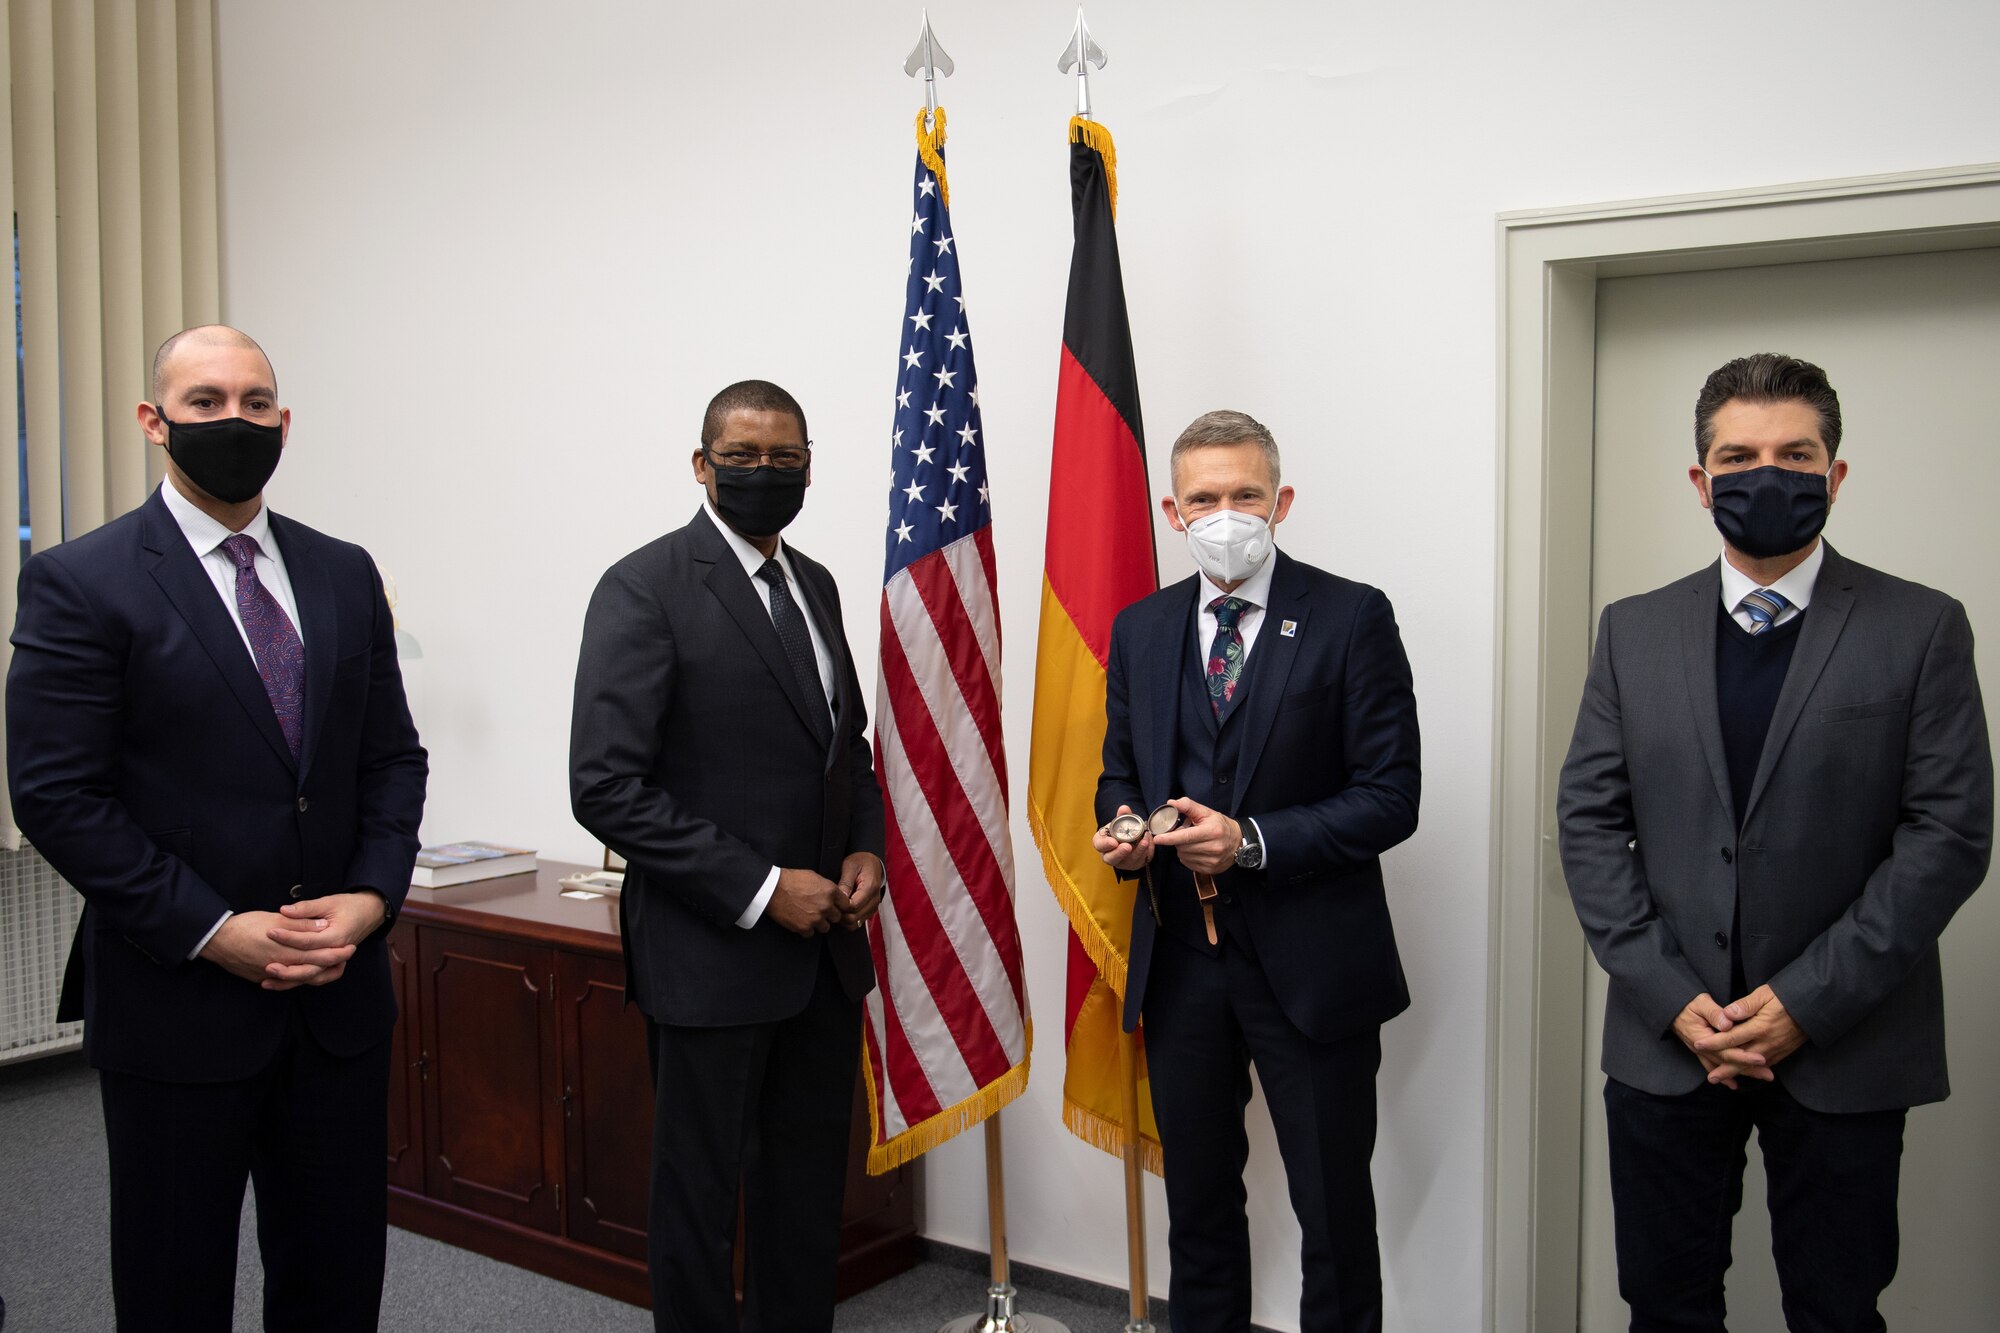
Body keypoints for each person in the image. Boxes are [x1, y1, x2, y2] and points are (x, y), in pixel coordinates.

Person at [1557, 352, 1992, 1331]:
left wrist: (1802, 1002)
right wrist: (1673, 999)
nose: (1766, 474)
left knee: (1836, 1309)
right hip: (1667, 1042)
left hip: (1846, 1040)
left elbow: (1949, 834)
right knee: (1663, 1306)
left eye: (1793, 454)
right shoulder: (1631, 631)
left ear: (1833, 475)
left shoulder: (1919, 628)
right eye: (1737, 455)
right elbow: (1587, 823)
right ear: (1699, 480)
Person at [6, 325, 428, 1331]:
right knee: (174, 1284)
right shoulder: (82, 581)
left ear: (283, 425)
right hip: (178, 1000)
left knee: (332, 1280)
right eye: (204, 401)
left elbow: (391, 759)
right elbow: (59, 797)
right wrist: (214, 929)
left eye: (253, 403)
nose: (231, 420)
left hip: (335, 1003)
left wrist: (370, 899)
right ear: (155, 421)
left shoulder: (340, 571)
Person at [1092, 410, 1421, 1333]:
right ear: (1172, 509)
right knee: (1197, 1208)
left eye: (1244, 494)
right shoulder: (1142, 627)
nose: (1225, 513)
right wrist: (1121, 824)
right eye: (1204, 497)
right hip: (1183, 968)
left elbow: (1393, 795)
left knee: (1333, 1214)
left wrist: (1254, 841)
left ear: (1280, 500)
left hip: (1313, 966)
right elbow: (1121, 772)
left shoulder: (1352, 615)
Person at [569, 379, 884, 1332]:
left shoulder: (816, 583)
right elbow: (606, 787)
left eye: (785, 458)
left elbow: (849, 747)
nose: (765, 473)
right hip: (710, 955)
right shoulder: (644, 586)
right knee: (699, 1207)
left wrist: (866, 844)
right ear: (701, 465)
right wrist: (758, 888)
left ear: (809, 467)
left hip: (823, 958)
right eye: (742, 457)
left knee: (803, 1200)